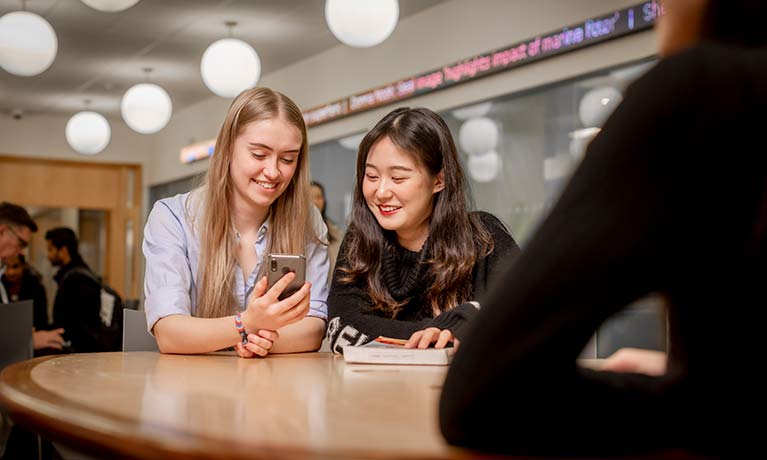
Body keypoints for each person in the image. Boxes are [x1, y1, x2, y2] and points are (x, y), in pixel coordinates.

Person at [439, 0, 767, 457]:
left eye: (397, 175)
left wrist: (687, 394)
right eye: (371, 176)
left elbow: (485, 393)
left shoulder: (708, 89)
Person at [143, 87, 329, 357]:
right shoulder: (172, 217)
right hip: (195, 391)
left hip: (274, 393)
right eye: (258, 155)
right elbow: (170, 333)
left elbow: (313, 327)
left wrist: (254, 341)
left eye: (288, 159)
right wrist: (247, 324)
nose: (273, 171)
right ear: (228, 147)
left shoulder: (308, 219)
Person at [325, 107, 520, 353]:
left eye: (398, 178)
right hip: (376, 390)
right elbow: (341, 327)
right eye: (372, 176)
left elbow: (525, 310)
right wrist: (447, 328)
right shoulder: (361, 239)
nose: (381, 192)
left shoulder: (483, 236)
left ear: (439, 180)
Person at [46, 227, 104, 353]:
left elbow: (78, 326)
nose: (48, 255)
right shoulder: (77, 274)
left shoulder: (76, 280)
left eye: (51, 249)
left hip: (78, 357)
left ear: (63, 250)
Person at [1, 254, 65, 352]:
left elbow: (42, 320)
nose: (11, 272)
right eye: (6, 267)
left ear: (23, 266)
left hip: (34, 344)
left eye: (15, 266)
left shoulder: (35, 288)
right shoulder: (1, 287)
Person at [310, 181, 343, 280]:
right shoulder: (294, 230)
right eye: (310, 197)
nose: (315, 202)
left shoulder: (335, 231)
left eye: (318, 197)